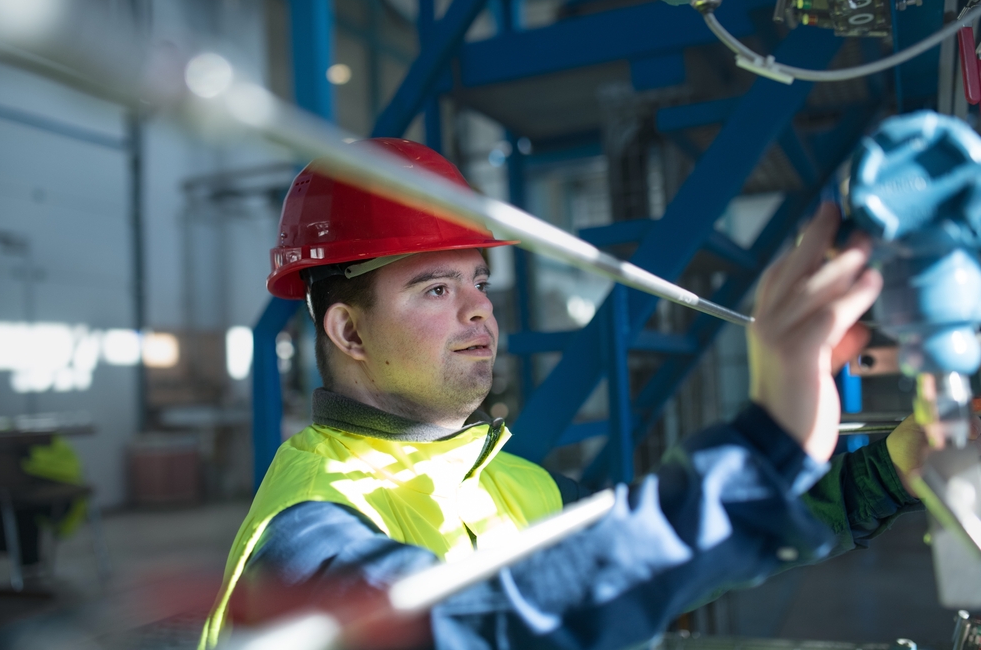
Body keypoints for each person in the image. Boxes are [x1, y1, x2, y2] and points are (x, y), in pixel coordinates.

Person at [199, 138, 943, 650]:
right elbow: (463, 627)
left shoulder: (512, 482)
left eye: (479, 283)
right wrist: (761, 450)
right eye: (436, 286)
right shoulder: (305, 526)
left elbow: (650, 558)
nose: (480, 309)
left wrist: (889, 470)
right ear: (349, 332)